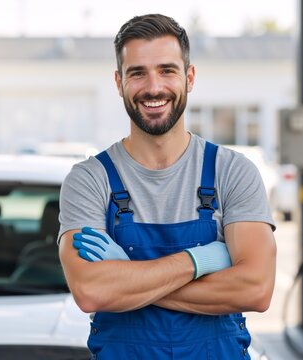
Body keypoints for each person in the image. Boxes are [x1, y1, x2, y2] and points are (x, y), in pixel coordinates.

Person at [58, 13, 277, 359]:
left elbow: (256, 288)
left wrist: (128, 279)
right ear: (119, 83)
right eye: (137, 73)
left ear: (189, 77)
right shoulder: (89, 180)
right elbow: (91, 292)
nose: (154, 87)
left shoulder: (232, 172)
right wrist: (201, 259)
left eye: (167, 70)